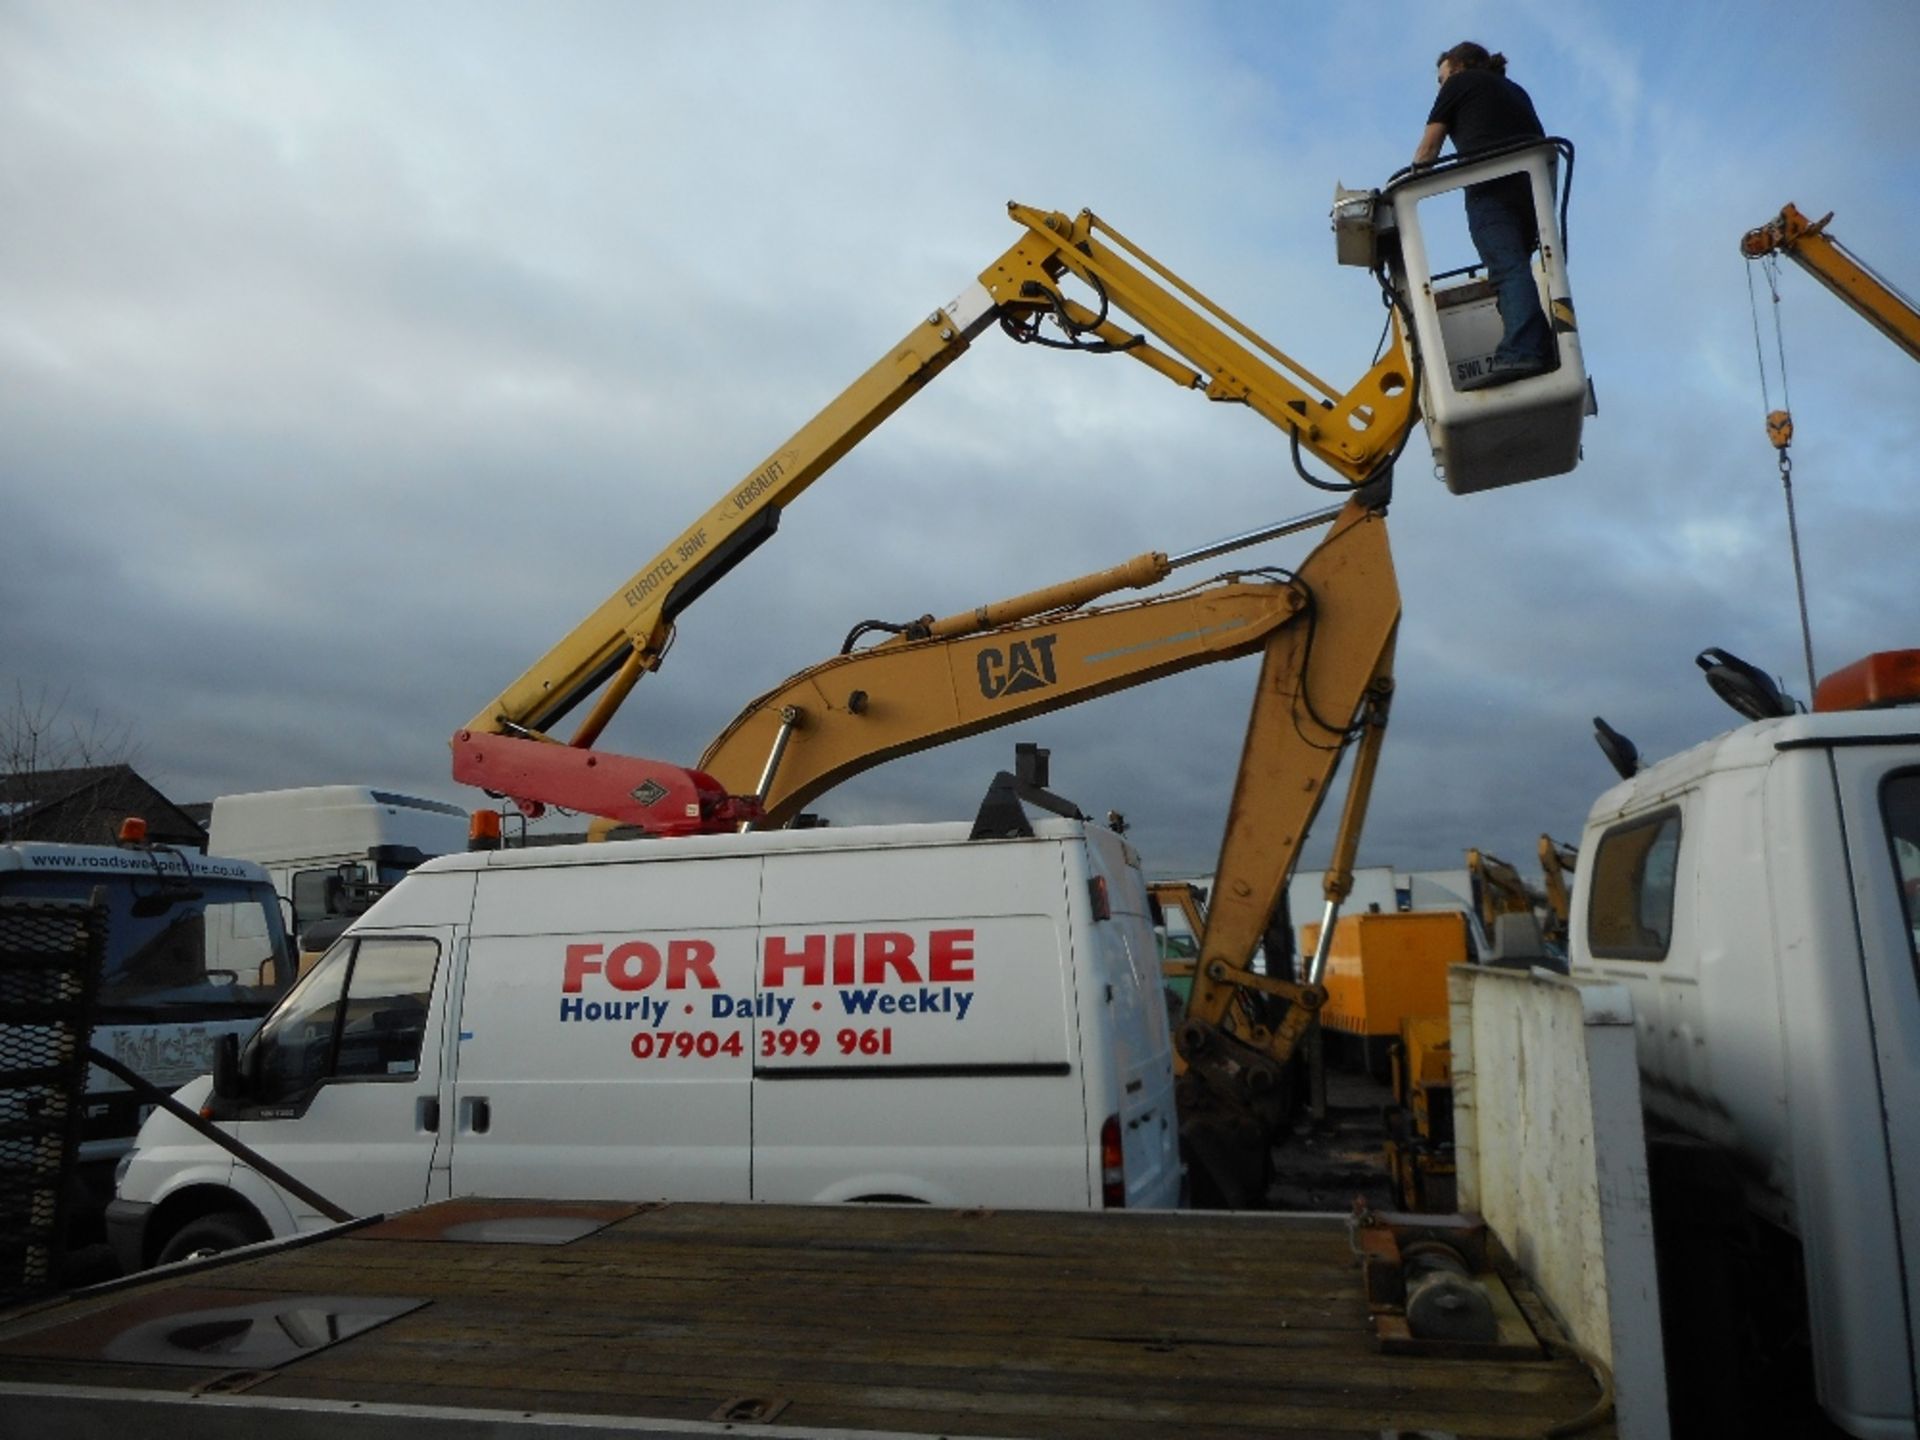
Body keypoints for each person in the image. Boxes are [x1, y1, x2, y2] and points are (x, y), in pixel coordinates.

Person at [1413, 42, 1554, 385]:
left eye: (1442, 77)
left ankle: (1523, 352)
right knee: (1513, 271)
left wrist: (1402, 189)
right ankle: (1538, 346)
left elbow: (1429, 148)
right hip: (1530, 194)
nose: (1441, 85)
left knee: (1507, 271)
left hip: (1490, 188)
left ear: (1459, 67)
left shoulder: (1460, 85)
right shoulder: (1516, 91)